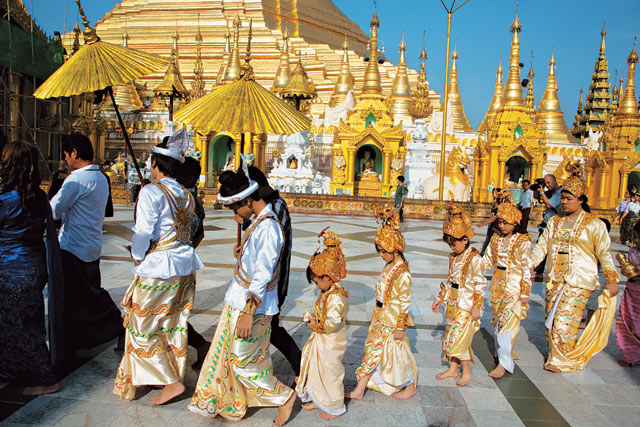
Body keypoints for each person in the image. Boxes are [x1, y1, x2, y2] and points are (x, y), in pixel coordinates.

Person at [189, 163, 295, 426]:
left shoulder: (269, 227)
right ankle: (234, 399)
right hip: (238, 299)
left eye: (236, 206)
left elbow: (263, 274)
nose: (236, 212)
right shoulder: (259, 223)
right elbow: (256, 263)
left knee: (241, 360)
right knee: (239, 356)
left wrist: (249, 313)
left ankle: (283, 397)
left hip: (252, 306)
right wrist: (243, 252)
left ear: (249, 199)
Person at [113, 128, 204, 404]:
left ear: (155, 164)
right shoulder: (188, 196)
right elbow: (191, 229)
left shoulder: (152, 192)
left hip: (158, 268)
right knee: (171, 323)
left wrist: (138, 256)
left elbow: (143, 233)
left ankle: (170, 380)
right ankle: (160, 375)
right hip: (184, 267)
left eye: (150, 162)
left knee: (141, 325)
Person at [530, 168, 620, 372]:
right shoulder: (554, 221)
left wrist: (612, 279)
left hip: (579, 278)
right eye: (562, 197)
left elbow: (604, 253)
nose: (563, 202)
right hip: (555, 277)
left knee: (565, 318)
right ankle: (556, 353)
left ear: (580, 200)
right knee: (551, 318)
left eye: (568, 198)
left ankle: (562, 359)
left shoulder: (594, 224)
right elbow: (542, 247)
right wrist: (528, 266)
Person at [50, 133, 124, 353]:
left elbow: (54, 209)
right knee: (86, 295)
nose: (65, 160)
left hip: (73, 246)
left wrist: (57, 185)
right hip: (91, 244)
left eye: (65, 155)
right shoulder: (100, 177)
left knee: (86, 296)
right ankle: (78, 339)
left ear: (74, 153)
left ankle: (121, 327)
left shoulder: (76, 179)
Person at [0, 141, 61, 396]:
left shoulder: (6, 199)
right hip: (34, 268)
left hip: (10, 268)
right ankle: (13, 369)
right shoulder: (39, 195)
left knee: (20, 326)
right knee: (24, 322)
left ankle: (46, 379)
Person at [347, 205, 417, 401]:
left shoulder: (402, 273)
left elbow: (405, 301)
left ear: (394, 249)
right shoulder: (390, 266)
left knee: (396, 353)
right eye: (379, 251)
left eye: (384, 251)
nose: (381, 255)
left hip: (392, 319)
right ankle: (360, 389)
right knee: (373, 350)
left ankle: (410, 385)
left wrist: (400, 325)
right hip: (380, 316)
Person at [246, 166, 302, 381]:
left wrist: (248, 225)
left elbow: (271, 246)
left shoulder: (276, 206)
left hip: (274, 281)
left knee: (271, 326)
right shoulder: (265, 207)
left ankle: (301, 366)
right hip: (263, 281)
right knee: (268, 327)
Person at [297, 228, 349, 421]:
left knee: (330, 372)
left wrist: (316, 326)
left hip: (330, 342)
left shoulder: (336, 297)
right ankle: (318, 398)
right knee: (315, 369)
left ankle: (335, 406)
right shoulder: (327, 292)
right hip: (321, 340)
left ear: (327, 277)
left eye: (317, 281)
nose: (316, 285)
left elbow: (333, 322)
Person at [432, 208, 486, 387]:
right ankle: (453, 368)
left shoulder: (475, 259)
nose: (452, 247)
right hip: (453, 302)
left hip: (466, 303)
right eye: (450, 244)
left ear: (465, 239)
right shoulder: (454, 257)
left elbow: (479, 284)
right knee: (450, 334)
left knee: (459, 337)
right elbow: (450, 280)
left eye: (454, 243)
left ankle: (467, 369)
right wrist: (442, 298)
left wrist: (476, 305)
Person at [481, 195, 532, 378]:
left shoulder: (522, 241)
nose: (502, 226)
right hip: (498, 285)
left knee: (506, 325)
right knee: (498, 322)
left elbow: (526, 267)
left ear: (515, 222)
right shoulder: (495, 239)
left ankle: (504, 364)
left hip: (514, 286)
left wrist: (525, 291)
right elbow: (486, 261)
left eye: (506, 222)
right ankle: (501, 353)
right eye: (500, 222)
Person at [174, 154, 210, 370]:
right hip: (184, 261)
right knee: (172, 312)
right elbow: (200, 234)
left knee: (168, 312)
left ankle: (198, 344)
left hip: (175, 263)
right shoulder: (193, 201)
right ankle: (198, 344)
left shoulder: (182, 201)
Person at [616, 221, 640, 367]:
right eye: (635, 237)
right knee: (628, 323)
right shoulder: (633, 252)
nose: (636, 240)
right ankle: (631, 355)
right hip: (632, 294)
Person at [479, 187, 502, 256]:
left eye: (494, 199)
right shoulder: (493, 207)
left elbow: (493, 219)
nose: (492, 200)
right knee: (488, 240)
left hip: (495, 227)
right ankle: (483, 253)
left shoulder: (499, 209)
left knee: (492, 240)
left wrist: (482, 224)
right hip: (491, 226)